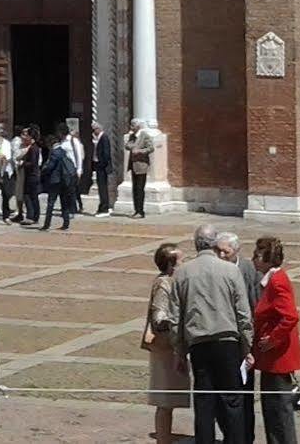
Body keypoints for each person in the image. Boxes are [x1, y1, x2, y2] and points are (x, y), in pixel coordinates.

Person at [173, 223, 255, 444]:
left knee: (204, 403)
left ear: (196, 244)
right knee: (233, 401)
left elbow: (177, 317)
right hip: (227, 342)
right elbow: (243, 313)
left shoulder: (182, 272)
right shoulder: (230, 270)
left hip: (198, 343)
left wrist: (179, 352)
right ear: (215, 243)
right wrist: (247, 346)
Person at [252, 237, 300, 444]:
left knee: (279, 411)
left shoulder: (277, 281)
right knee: (271, 410)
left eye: (256, 255)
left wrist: (272, 340)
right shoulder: (270, 280)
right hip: (270, 358)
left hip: (278, 358)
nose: (253, 259)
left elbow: (290, 316)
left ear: (266, 258)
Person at [145, 242, 189, 444]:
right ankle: (163, 439)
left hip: (172, 346)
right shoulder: (164, 283)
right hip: (165, 348)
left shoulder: (174, 281)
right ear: (172, 265)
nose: (185, 263)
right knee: (164, 401)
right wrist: (177, 323)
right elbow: (159, 316)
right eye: (182, 260)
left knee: (169, 400)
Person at [39, 129, 75, 231]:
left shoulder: (55, 153)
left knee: (51, 202)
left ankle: (47, 224)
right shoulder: (63, 151)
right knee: (64, 202)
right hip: (64, 179)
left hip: (55, 180)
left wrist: (44, 171)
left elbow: (50, 166)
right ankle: (66, 222)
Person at [220, 231, 261, 312]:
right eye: (218, 251)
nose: (221, 255)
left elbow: (257, 300)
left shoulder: (251, 269)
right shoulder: (212, 268)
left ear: (236, 250)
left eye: (226, 252)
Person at [126, 121, 155, 218]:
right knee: (134, 189)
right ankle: (136, 210)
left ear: (138, 126)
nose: (131, 127)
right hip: (133, 166)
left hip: (141, 166)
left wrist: (139, 151)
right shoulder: (132, 136)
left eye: (133, 125)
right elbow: (127, 145)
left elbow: (151, 148)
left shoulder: (145, 135)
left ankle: (141, 211)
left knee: (140, 189)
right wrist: (132, 146)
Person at [18, 128, 43, 225]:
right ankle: (35, 216)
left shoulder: (33, 148)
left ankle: (31, 216)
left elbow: (32, 163)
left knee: (28, 195)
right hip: (33, 175)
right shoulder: (34, 147)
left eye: (27, 135)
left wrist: (22, 164)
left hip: (31, 175)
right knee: (33, 196)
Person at [91, 121, 116, 216]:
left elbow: (106, 153)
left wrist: (102, 164)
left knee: (103, 188)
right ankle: (102, 206)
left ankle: (105, 208)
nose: (93, 132)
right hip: (99, 165)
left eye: (94, 130)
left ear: (98, 129)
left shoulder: (104, 137)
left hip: (102, 167)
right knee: (101, 188)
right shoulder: (97, 138)